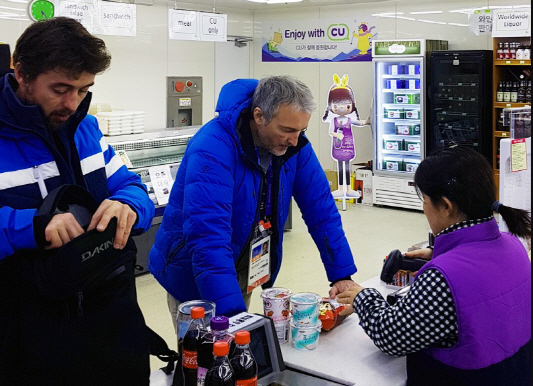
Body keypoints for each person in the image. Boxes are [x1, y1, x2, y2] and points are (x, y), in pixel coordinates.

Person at [0, 18, 155, 385]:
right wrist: (33, 227)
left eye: (84, 90)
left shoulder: (87, 128)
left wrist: (129, 205)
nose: (73, 103)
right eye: (60, 88)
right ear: (21, 74)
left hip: (112, 320)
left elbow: (133, 186)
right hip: (27, 332)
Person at [149, 75, 357, 323]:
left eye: (301, 130)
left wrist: (341, 274)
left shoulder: (294, 146)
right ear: (259, 116)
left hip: (244, 264)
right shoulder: (213, 147)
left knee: (237, 350)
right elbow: (208, 238)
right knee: (205, 355)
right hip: (194, 273)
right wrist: (233, 317)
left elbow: (321, 211)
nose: (294, 140)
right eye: (287, 130)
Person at [337, 146, 531, 386]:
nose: (423, 208)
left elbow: (392, 337)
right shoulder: (514, 245)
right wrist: (443, 254)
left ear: (447, 206)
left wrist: (362, 297)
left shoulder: (441, 278)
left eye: (425, 200)